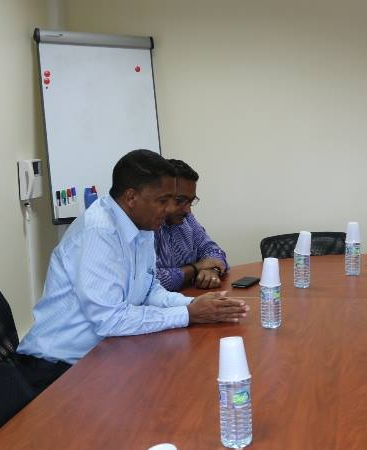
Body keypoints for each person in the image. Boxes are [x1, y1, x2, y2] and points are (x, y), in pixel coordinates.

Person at [15, 150, 250, 394]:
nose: (170, 208)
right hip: (56, 369)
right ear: (131, 197)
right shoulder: (99, 231)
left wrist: (197, 304)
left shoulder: (143, 226)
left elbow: (150, 291)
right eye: (163, 200)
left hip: (105, 357)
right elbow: (110, 319)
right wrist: (188, 314)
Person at [155, 159, 228, 291]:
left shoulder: (186, 219)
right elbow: (154, 282)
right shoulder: (147, 226)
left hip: (188, 300)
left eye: (191, 201)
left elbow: (212, 249)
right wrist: (196, 268)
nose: (188, 210)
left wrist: (212, 269)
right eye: (180, 200)